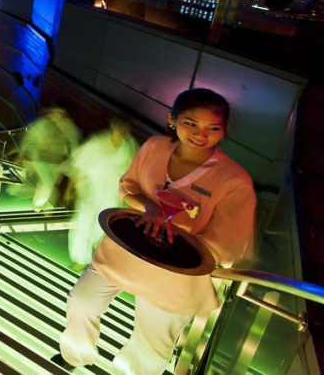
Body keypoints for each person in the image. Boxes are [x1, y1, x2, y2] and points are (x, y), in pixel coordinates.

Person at [58, 88, 256, 375]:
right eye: (191, 123)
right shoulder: (154, 147)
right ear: (172, 119)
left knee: (151, 347)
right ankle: (75, 355)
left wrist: (177, 230)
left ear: (224, 130)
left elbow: (228, 243)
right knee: (81, 302)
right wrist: (148, 207)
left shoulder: (234, 180)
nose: (202, 135)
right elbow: (128, 185)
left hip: (175, 272)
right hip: (127, 249)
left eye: (214, 128)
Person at [64, 117, 138, 267]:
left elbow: (133, 173)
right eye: (118, 127)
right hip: (91, 189)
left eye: (124, 129)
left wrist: (128, 198)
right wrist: (69, 189)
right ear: (113, 126)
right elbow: (79, 164)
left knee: (103, 226)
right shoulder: (97, 142)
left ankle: (95, 255)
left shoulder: (130, 146)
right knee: (83, 222)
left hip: (113, 193)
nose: (121, 131)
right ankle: (79, 258)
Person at [19, 107, 81, 210]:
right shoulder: (42, 124)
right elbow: (30, 138)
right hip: (39, 159)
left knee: (46, 184)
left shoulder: (69, 127)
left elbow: (73, 144)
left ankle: (43, 205)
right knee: (48, 184)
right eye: (55, 112)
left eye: (60, 113)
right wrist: (23, 153)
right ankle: (39, 206)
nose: (57, 115)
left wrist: (72, 158)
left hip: (56, 161)